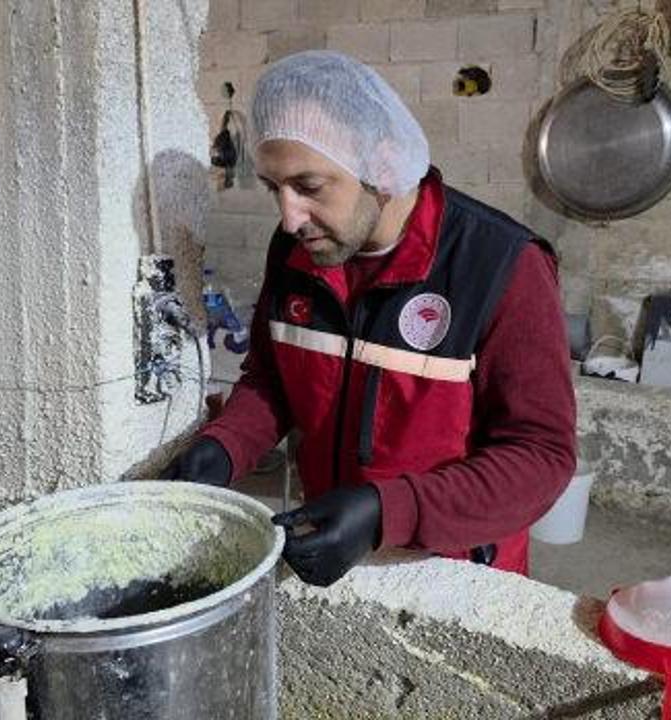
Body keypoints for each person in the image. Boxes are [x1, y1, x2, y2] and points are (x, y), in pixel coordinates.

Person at [161, 51, 575, 586]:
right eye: (274, 188)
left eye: (309, 186)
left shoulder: (501, 265)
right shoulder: (294, 251)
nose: (289, 217)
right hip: (329, 547)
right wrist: (224, 447)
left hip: (453, 570)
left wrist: (389, 511)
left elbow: (541, 458)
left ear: (381, 166)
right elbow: (273, 380)